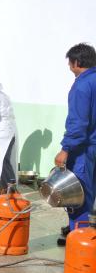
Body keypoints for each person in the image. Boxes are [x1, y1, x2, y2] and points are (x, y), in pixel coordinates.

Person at [55, 43, 96, 245]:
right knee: (90, 192)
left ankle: (79, 243)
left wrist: (65, 149)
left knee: (77, 196)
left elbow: (78, 123)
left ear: (76, 62)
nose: (69, 67)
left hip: (84, 149)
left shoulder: (81, 86)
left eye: (70, 63)